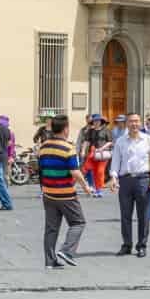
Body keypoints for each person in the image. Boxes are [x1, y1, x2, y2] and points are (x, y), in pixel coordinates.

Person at [35, 114, 86, 267]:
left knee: (51, 228)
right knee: (78, 222)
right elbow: (75, 172)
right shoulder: (68, 148)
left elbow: (41, 169)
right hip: (65, 193)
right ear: (65, 129)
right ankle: (67, 250)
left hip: (48, 192)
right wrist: (86, 187)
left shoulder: (43, 146)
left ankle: (49, 261)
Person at [109, 113, 150, 257]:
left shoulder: (148, 140)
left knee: (143, 214)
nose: (134, 124)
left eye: (136, 121)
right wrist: (113, 178)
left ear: (141, 123)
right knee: (125, 214)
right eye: (131, 121)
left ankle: (142, 245)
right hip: (125, 180)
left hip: (143, 179)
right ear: (127, 123)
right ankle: (127, 244)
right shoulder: (120, 141)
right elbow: (115, 163)